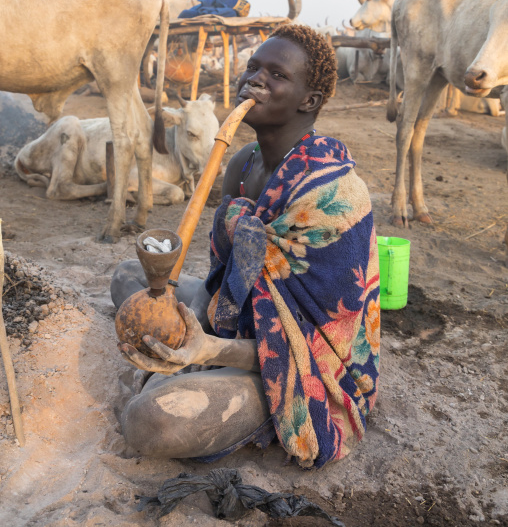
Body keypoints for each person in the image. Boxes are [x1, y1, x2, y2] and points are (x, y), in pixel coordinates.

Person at [111, 24, 380, 469]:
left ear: (308, 101)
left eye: (276, 75)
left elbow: (322, 351)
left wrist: (205, 351)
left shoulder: (335, 198)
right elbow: (228, 283)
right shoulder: (240, 165)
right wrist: (183, 316)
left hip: (293, 369)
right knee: (127, 276)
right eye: (252, 67)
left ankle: (233, 402)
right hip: (237, 324)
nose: (254, 79)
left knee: (148, 421)